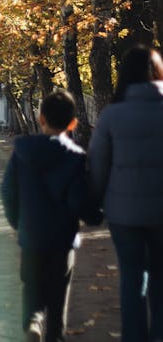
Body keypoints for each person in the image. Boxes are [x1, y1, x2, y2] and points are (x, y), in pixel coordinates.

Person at [1, 90, 101, 342]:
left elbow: (8, 192)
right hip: (62, 239)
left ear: (40, 117)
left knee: (32, 288)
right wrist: (93, 216)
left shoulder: (21, 153)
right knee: (58, 296)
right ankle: (53, 335)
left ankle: (33, 323)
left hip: (31, 236)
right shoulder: (75, 159)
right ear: (73, 123)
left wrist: (18, 223)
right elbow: (79, 199)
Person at [87, 44, 163, 342]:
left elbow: (98, 166)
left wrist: (92, 205)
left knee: (132, 280)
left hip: (124, 216)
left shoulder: (111, 115)